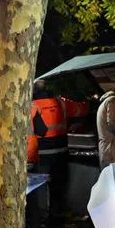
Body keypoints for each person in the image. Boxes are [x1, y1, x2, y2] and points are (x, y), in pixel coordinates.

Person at [31, 79, 69, 220]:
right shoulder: (60, 103)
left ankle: (42, 218)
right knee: (58, 185)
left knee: (40, 186)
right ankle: (57, 215)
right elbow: (80, 110)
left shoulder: (33, 105)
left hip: (42, 151)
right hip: (62, 149)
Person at [96, 89, 115, 168]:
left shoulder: (106, 102)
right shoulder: (112, 101)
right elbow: (113, 122)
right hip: (112, 148)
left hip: (107, 148)